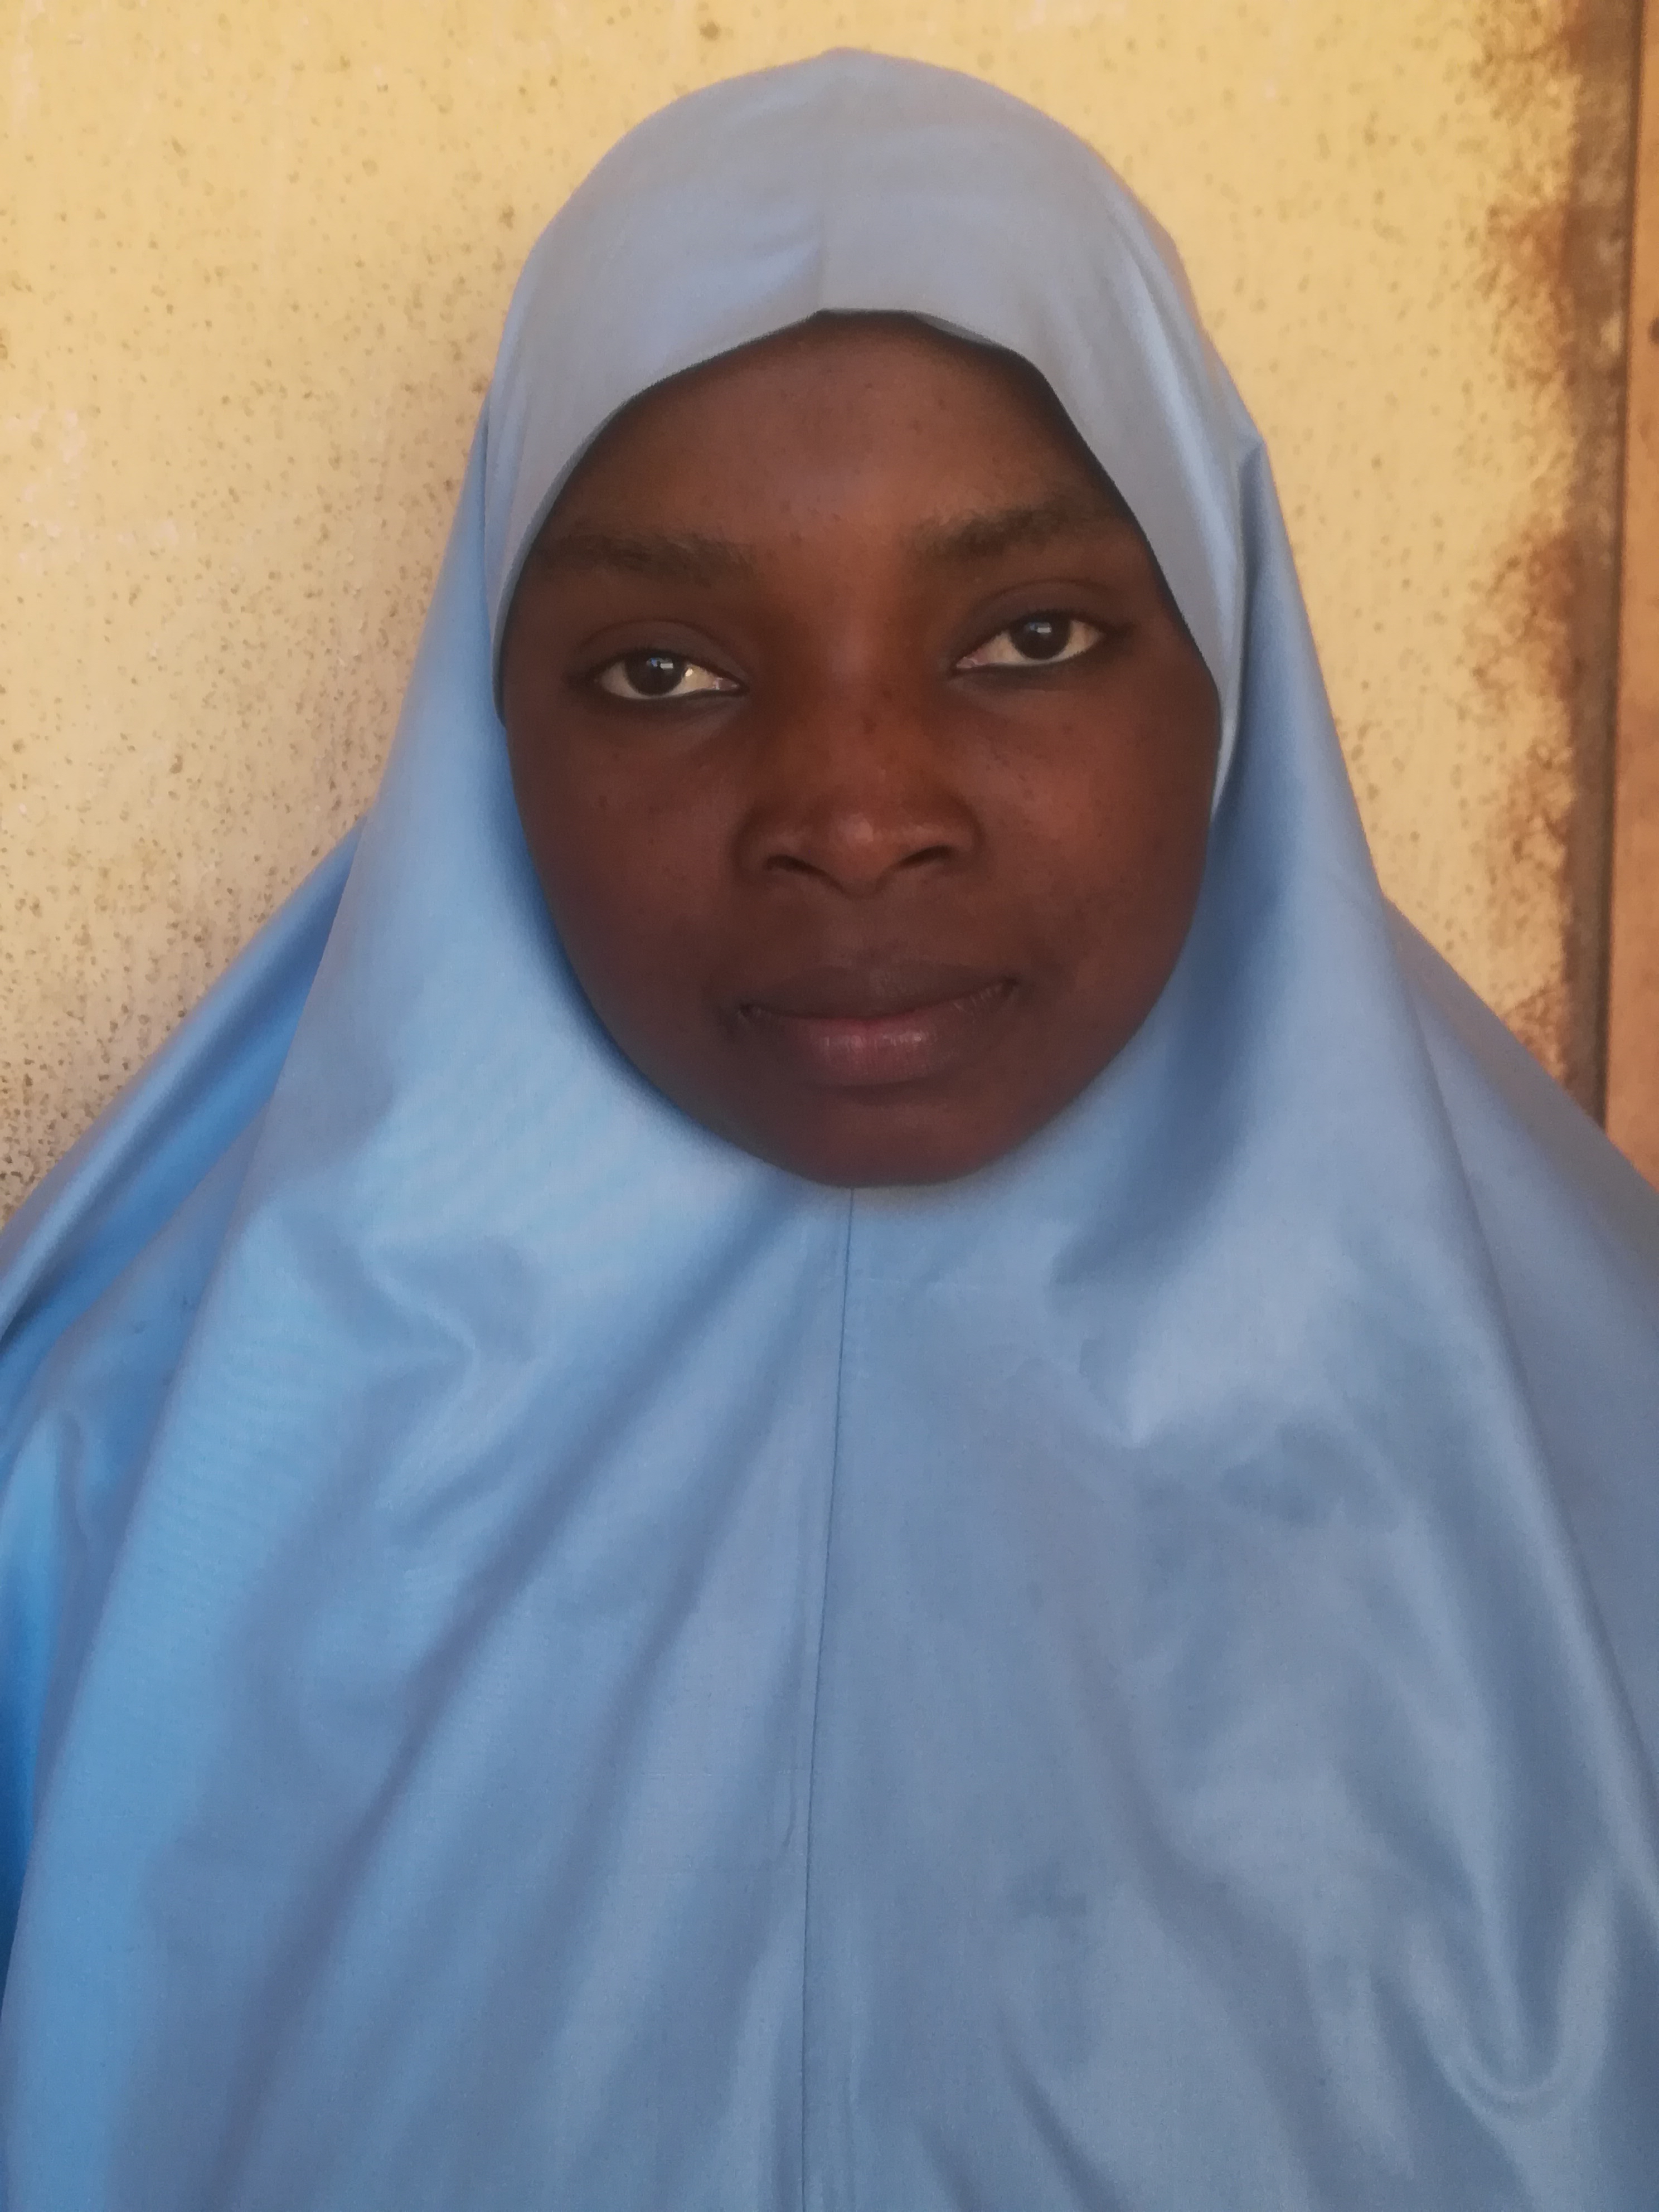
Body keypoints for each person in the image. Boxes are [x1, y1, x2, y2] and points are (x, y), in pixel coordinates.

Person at [2, 49, 1657, 2209]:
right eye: (665, 671)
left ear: (1233, 664)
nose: (859, 817)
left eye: (1031, 636)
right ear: (484, 719)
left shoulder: (1603, 1463)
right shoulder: (97, 1487)